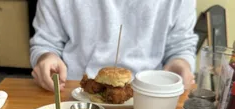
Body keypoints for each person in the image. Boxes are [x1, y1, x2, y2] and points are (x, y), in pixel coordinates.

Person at [30, 0, 198, 92]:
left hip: (152, 91)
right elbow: (46, 42)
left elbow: (180, 44)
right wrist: (46, 57)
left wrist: (181, 62)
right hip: (74, 89)